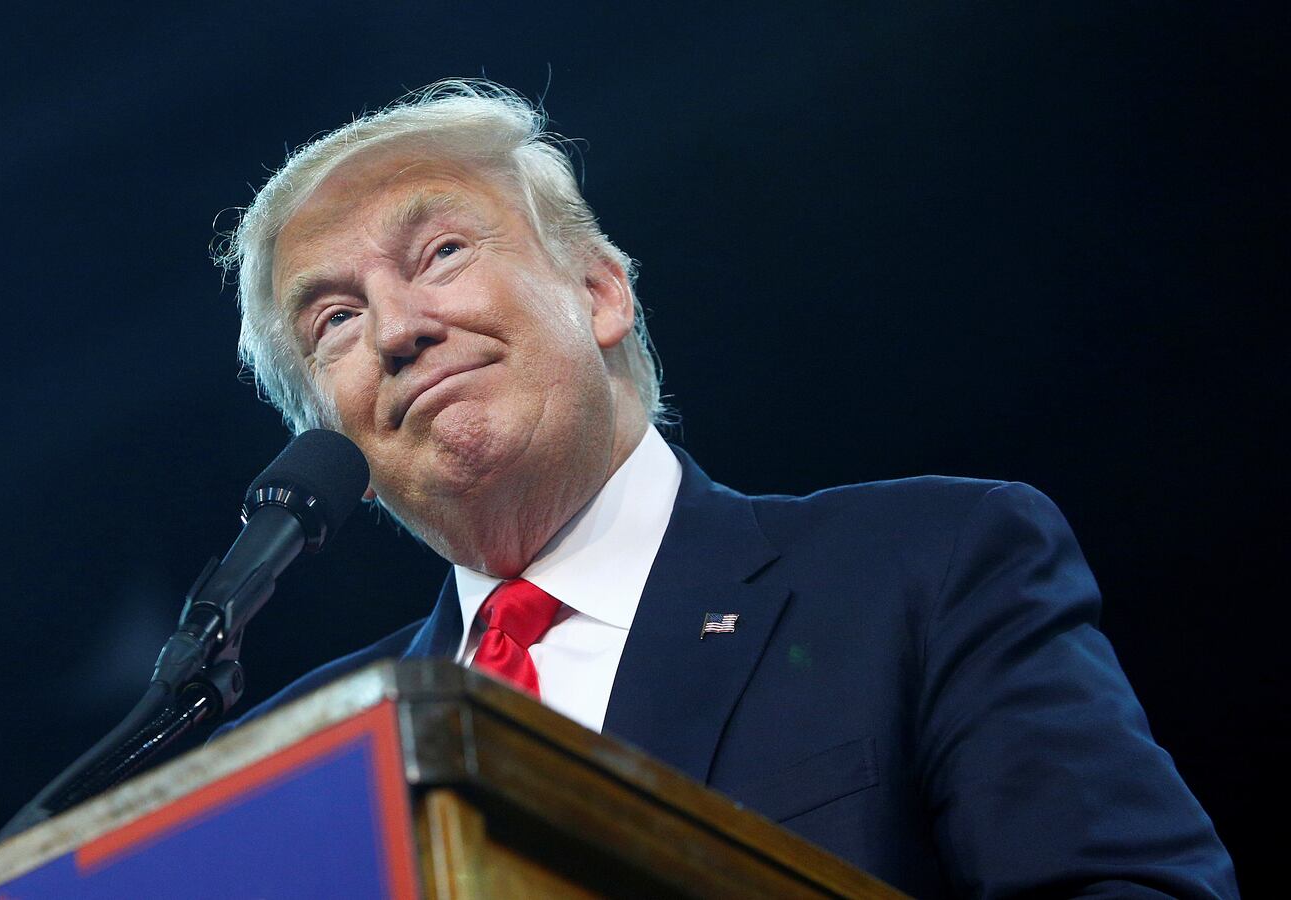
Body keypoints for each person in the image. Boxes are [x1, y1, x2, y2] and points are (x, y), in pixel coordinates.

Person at [209, 80, 1237, 897]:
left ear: (599, 293)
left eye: (440, 253)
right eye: (334, 320)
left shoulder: (927, 568)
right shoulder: (289, 767)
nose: (397, 329)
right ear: (329, 435)